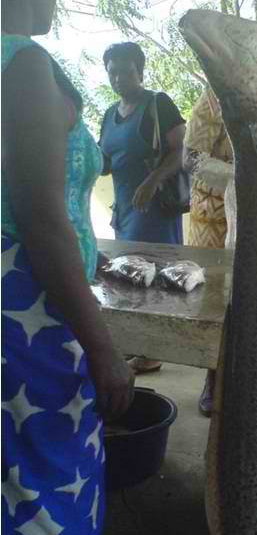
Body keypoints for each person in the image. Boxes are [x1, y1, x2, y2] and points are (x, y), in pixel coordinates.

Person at [1, 0, 134, 535]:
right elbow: (41, 219)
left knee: (13, 486)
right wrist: (105, 345)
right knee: (52, 492)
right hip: (33, 316)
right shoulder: (21, 63)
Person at [183, 32, 257, 417]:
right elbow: (191, 159)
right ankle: (212, 383)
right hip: (213, 220)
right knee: (217, 306)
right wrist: (244, 176)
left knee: (256, 303)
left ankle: (246, 386)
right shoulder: (216, 97)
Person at [99, 42, 187, 374]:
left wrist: (152, 180)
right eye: (113, 72)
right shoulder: (110, 113)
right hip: (124, 207)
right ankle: (136, 345)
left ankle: (151, 351)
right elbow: (106, 161)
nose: (119, 78)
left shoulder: (157, 104)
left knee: (152, 277)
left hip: (153, 209)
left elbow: (182, 149)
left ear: (141, 71)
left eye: (127, 71)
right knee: (125, 277)